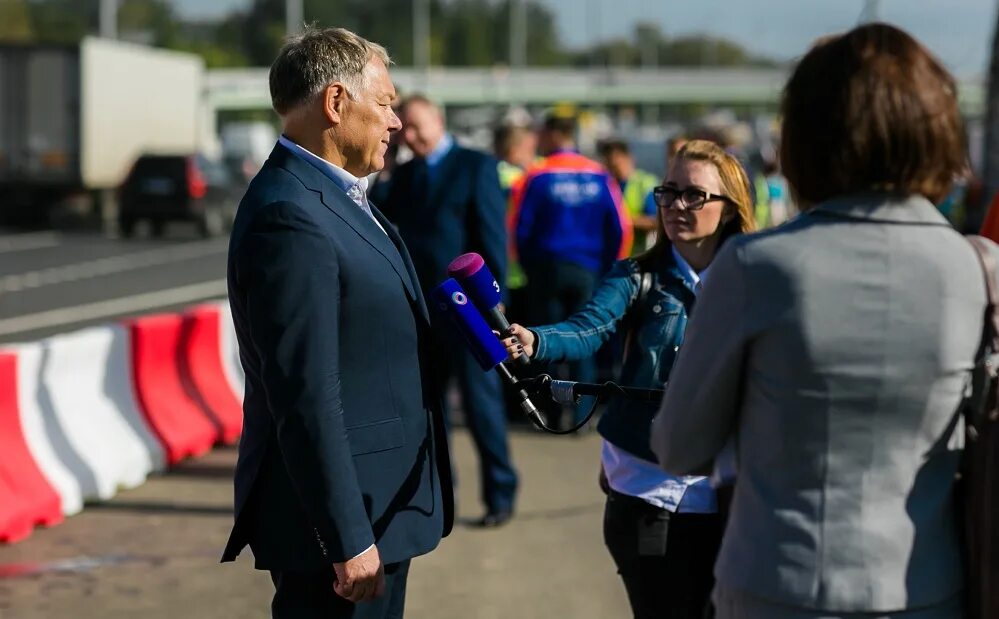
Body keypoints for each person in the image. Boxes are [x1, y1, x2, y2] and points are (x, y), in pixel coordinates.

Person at [650, 23, 988, 619]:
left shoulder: (756, 266)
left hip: (777, 585)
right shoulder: (979, 269)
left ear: (805, 135)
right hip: (929, 586)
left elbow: (680, 447)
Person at [222, 28, 453, 619]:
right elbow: (304, 394)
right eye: (385, 103)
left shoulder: (339, 196)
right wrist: (348, 537)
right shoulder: (289, 215)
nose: (395, 121)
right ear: (334, 104)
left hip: (381, 508)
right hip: (342, 534)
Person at [501, 140, 756, 619]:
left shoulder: (758, 277)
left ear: (729, 207)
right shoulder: (637, 275)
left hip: (733, 491)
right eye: (669, 192)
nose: (677, 206)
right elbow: (589, 328)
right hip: (647, 486)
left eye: (695, 195)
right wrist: (536, 340)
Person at [380, 94, 518, 528]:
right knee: (428, 412)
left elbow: (492, 241)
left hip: (469, 313)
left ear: (439, 120)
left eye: (420, 126)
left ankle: (500, 494)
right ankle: (441, 498)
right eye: (407, 130)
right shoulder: (402, 177)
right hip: (421, 311)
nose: (414, 136)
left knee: (482, 408)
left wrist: (495, 314)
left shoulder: (475, 166)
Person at [509, 112, 633, 428]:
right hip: (587, 270)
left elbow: (518, 227)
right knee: (584, 338)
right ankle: (583, 415)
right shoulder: (599, 175)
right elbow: (620, 227)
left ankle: (549, 414)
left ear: (551, 135)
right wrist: (608, 269)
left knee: (542, 341)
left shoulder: (536, 175)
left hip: (545, 269)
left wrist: (526, 265)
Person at [598, 138, 660, 253]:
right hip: (612, 258)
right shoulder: (606, 185)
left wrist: (622, 220)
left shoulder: (645, 183)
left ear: (628, 158)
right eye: (609, 163)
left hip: (638, 257)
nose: (612, 167)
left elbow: (655, 221)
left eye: (616, 162)